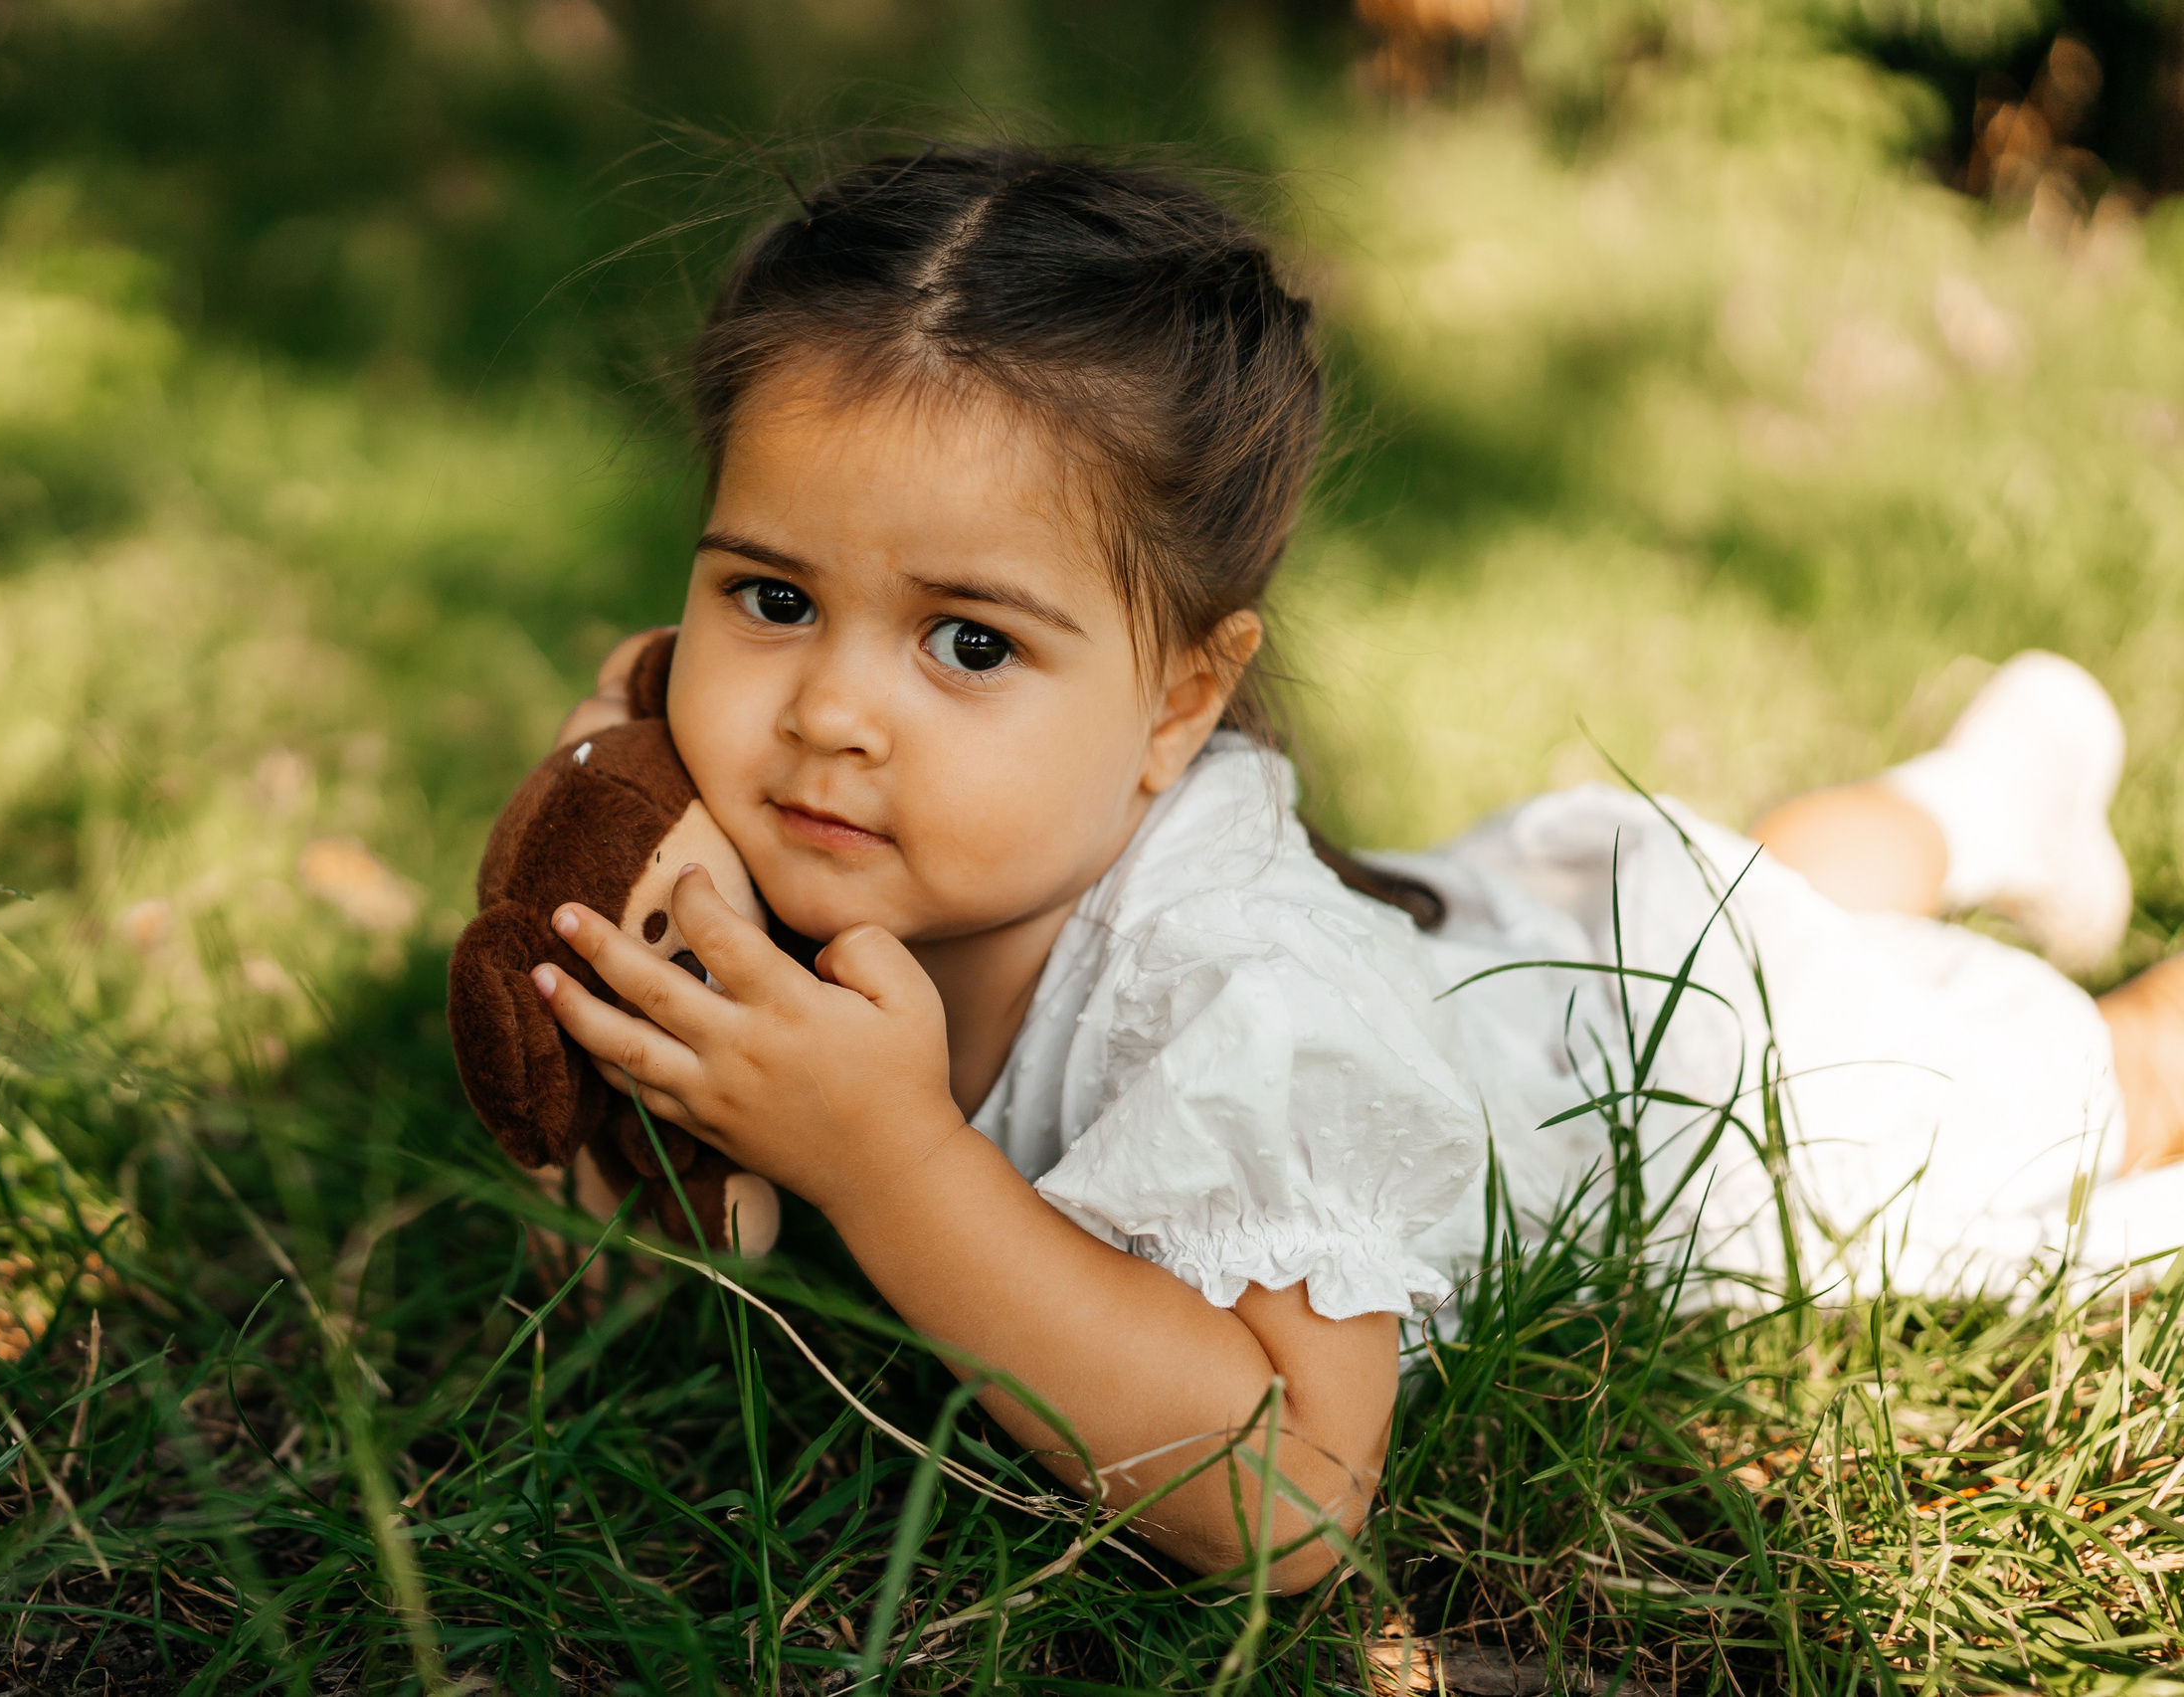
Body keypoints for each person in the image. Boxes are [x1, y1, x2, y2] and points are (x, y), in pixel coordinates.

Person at [522, 145, 2184, 1588]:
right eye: (771, 597)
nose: (826, 713)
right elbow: (613, 1235)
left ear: (1179, 697)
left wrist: (887, 1165)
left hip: (1700, 1091)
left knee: (2081, 1071)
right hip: (1540, 930)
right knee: (1734, 887)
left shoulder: (1255, 1010)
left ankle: (2018, 871)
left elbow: (1294, 1498)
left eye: (966, 638)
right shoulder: (802, 845)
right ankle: (1979, 799)